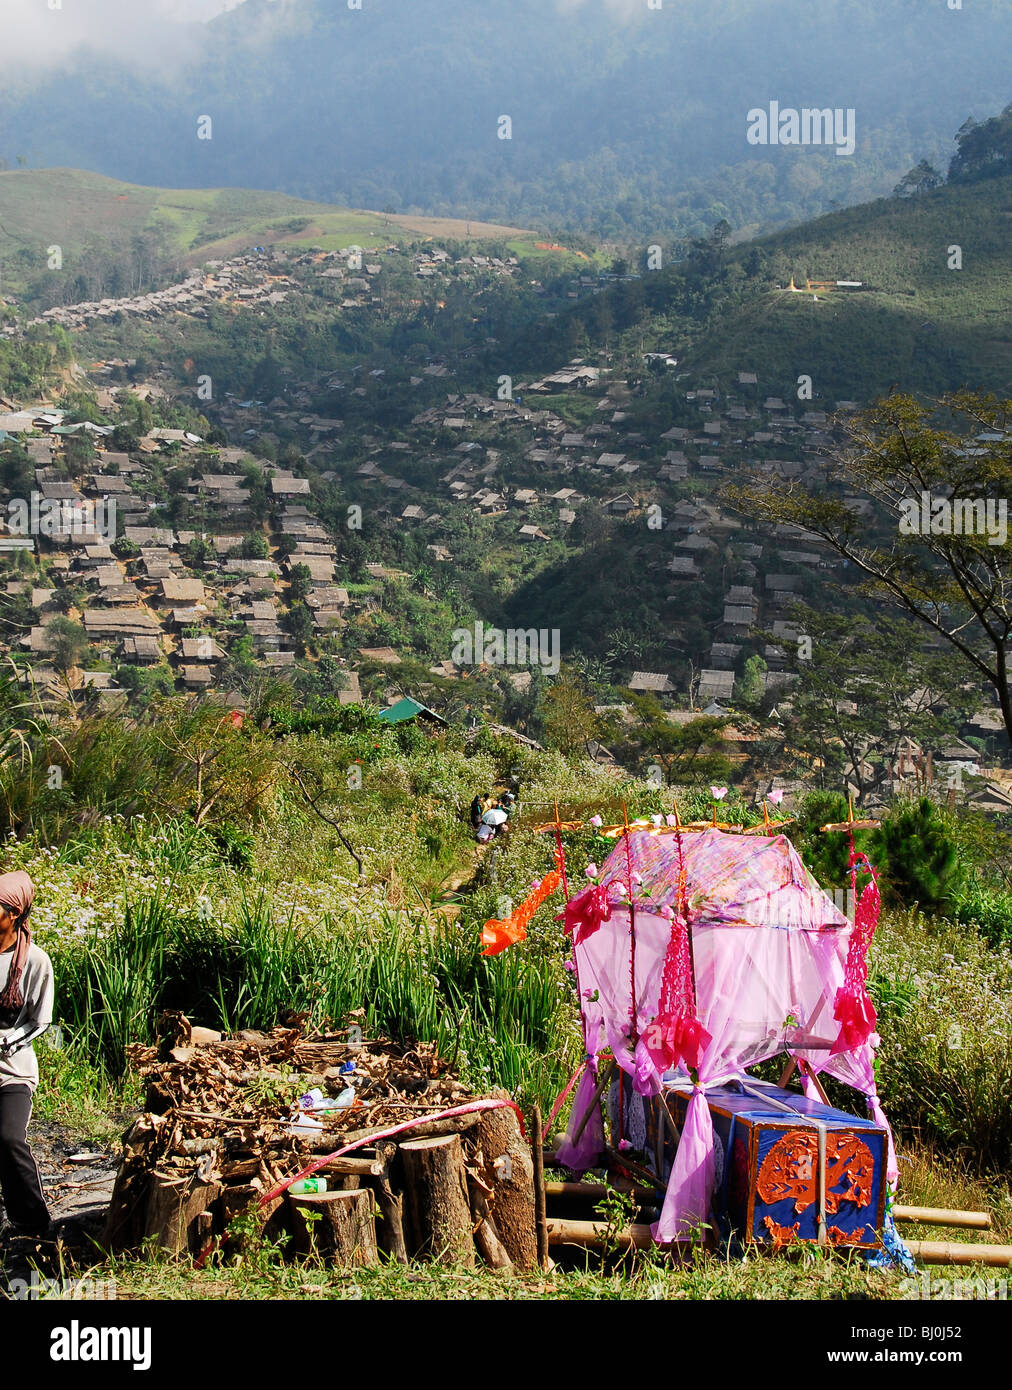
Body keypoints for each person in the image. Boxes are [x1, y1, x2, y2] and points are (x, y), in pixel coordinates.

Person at [0, 870, 53, 1239]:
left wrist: (7, 1042)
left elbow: (40, 1020)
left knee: (8, 1138)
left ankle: (34, 1225)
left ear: (14, 913)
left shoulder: (35, 961)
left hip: (12, 1071)